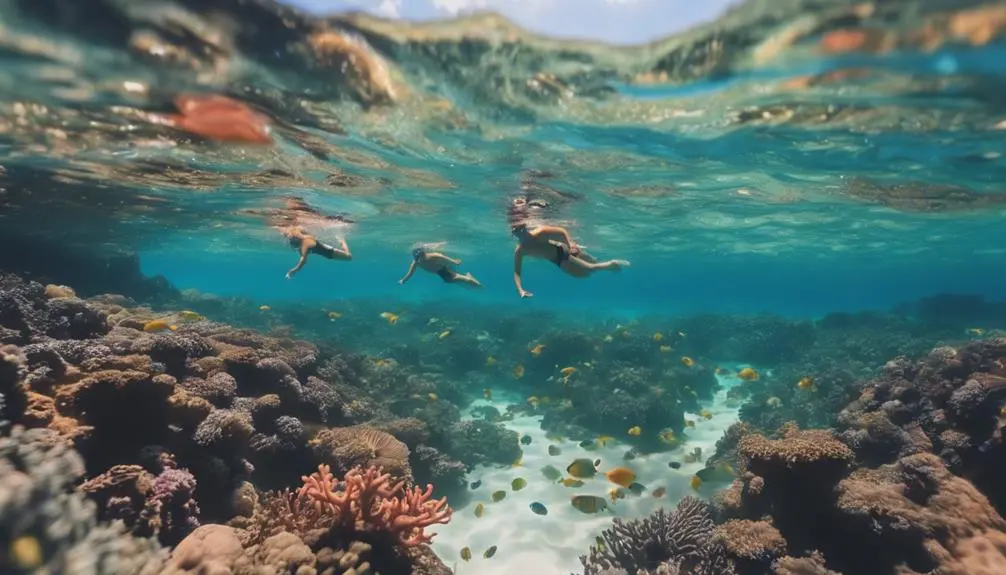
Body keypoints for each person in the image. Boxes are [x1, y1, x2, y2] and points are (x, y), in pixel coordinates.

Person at [511, 222, 628, 299]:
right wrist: (520, 290)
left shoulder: (541, 232)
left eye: (521, 230)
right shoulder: (520, 250)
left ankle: (610, 265)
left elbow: (561, 231)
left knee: (589, 268)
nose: (520, 234)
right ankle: (593, 259)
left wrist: (571, 244)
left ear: (525, 228)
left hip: (561, 251)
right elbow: (517, 272)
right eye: (516, 232)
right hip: (557, 260)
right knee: (583, 275)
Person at [280, 225, 352, 279]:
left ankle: (341, 240)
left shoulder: (306, 242)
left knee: (348, 257)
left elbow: (303, 260)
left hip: (324, 250)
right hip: (314, 247)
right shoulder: (292, 237)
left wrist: (294, 270)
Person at [399, 246, 482, 288]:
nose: (419, 260)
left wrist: (454, 262)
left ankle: (476, 283)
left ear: (424, 254)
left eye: (420, 257)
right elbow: (410, 273)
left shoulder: (431, 256)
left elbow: (441, 256)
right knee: (449, 281)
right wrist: (403, 280)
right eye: (417, 258)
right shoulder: (415, 263)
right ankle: (466, 277)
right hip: (439, 271)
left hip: (443, 270)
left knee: (454, 279)